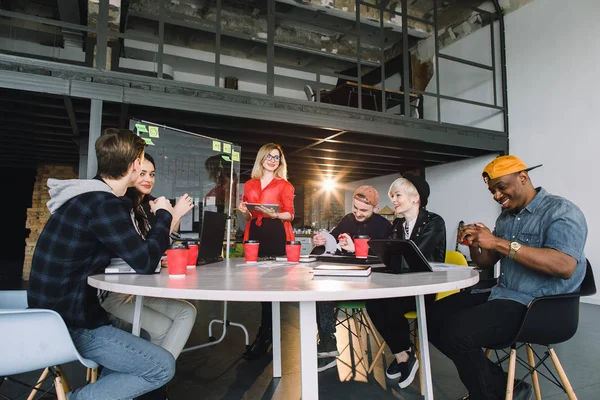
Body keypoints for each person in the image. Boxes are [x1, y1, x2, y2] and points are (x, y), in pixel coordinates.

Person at [27, 129, 188, 399]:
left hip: (50, 315)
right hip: (69, 325)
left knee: (146, 336)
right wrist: (163, 215)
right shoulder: (104, 205)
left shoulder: (85, 197)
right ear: (136, 165)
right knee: (162, 368)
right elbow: (146, 262)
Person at [428, 155, 587, 400]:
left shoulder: (561, 211)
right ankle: (502, 385)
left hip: (541, 306)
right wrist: (474, 244)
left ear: (523, 178)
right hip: (504, 295)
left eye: (501, 187)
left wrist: (499, 242)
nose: (496, 196)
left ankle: (487, 394)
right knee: (431, 318)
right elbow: (487, 262)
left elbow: (564, 266)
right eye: (492, 191)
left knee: (456, 333)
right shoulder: (505, 218)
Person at [101, 153, 197, 367]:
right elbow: (144, 255)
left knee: (187, 311)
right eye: (142, 173)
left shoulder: (142, 208)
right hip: (115, 294)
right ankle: (154, 380)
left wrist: (173, 216)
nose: (148, 179)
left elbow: (153, 250)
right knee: (164, 327)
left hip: (134, 290)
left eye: (152, 174)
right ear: (130, 172)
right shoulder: (122, 207)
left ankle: (154, 380)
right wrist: (174, 215)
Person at [364, 173, 446, 389]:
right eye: (392, 196)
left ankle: (403, 353)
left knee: (388, 302)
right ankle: (403, 354)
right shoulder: (399, 224)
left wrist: (390, 257)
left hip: (426, 288)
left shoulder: (434, 222)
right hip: (402, 286)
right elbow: (388, 254)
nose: (393, 200)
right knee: (372, 301)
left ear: (415, 197)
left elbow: (414, 255)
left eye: (397, 195)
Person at [311, 185, 392, 372]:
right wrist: (322, 240)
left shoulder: (384, 226)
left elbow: (386, 258)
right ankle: (327, 342)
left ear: (375, 208)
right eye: (355, 208)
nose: (358, 213)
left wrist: (356, 249)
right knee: (321, 288)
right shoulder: (347, 219)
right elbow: (331, 240)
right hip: (344, 277)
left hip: (371, 282)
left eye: (363, 210)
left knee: (326, 290)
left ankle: (326, 342)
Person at [238, 143, 295, 360]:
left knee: (272, 287)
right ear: (261, 158)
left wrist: (272, 213)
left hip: (275, 234)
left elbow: (290, 214)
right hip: (255, 234)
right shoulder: (250, 184)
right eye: (269, 156)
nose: (273, 160)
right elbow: (249, 217)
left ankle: (265, 336)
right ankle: (266, 334)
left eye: (277, 157)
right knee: (260, 286)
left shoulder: (285, 185)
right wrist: (245, 212)